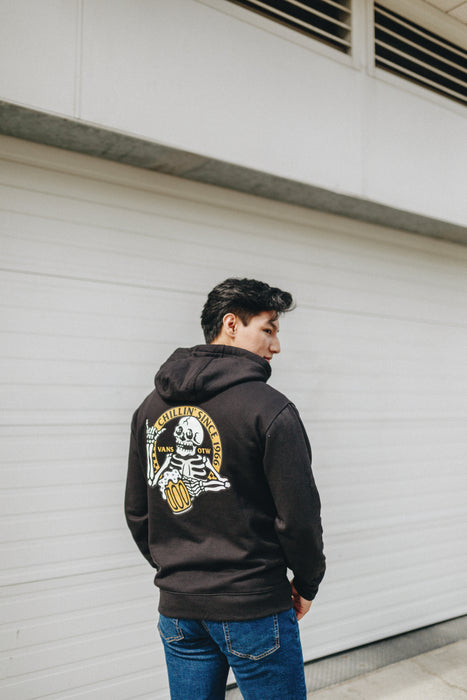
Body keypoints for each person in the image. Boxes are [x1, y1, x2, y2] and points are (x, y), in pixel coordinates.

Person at [125, 278, 325, 700]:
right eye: (268, 329)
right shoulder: (270, 409)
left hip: (179, 612)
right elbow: (298, 518)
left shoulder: (150, 408)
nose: (276, 346)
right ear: (231, 324)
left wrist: (180, 572)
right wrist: (307, 583)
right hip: (252, 606)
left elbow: (138, 512)